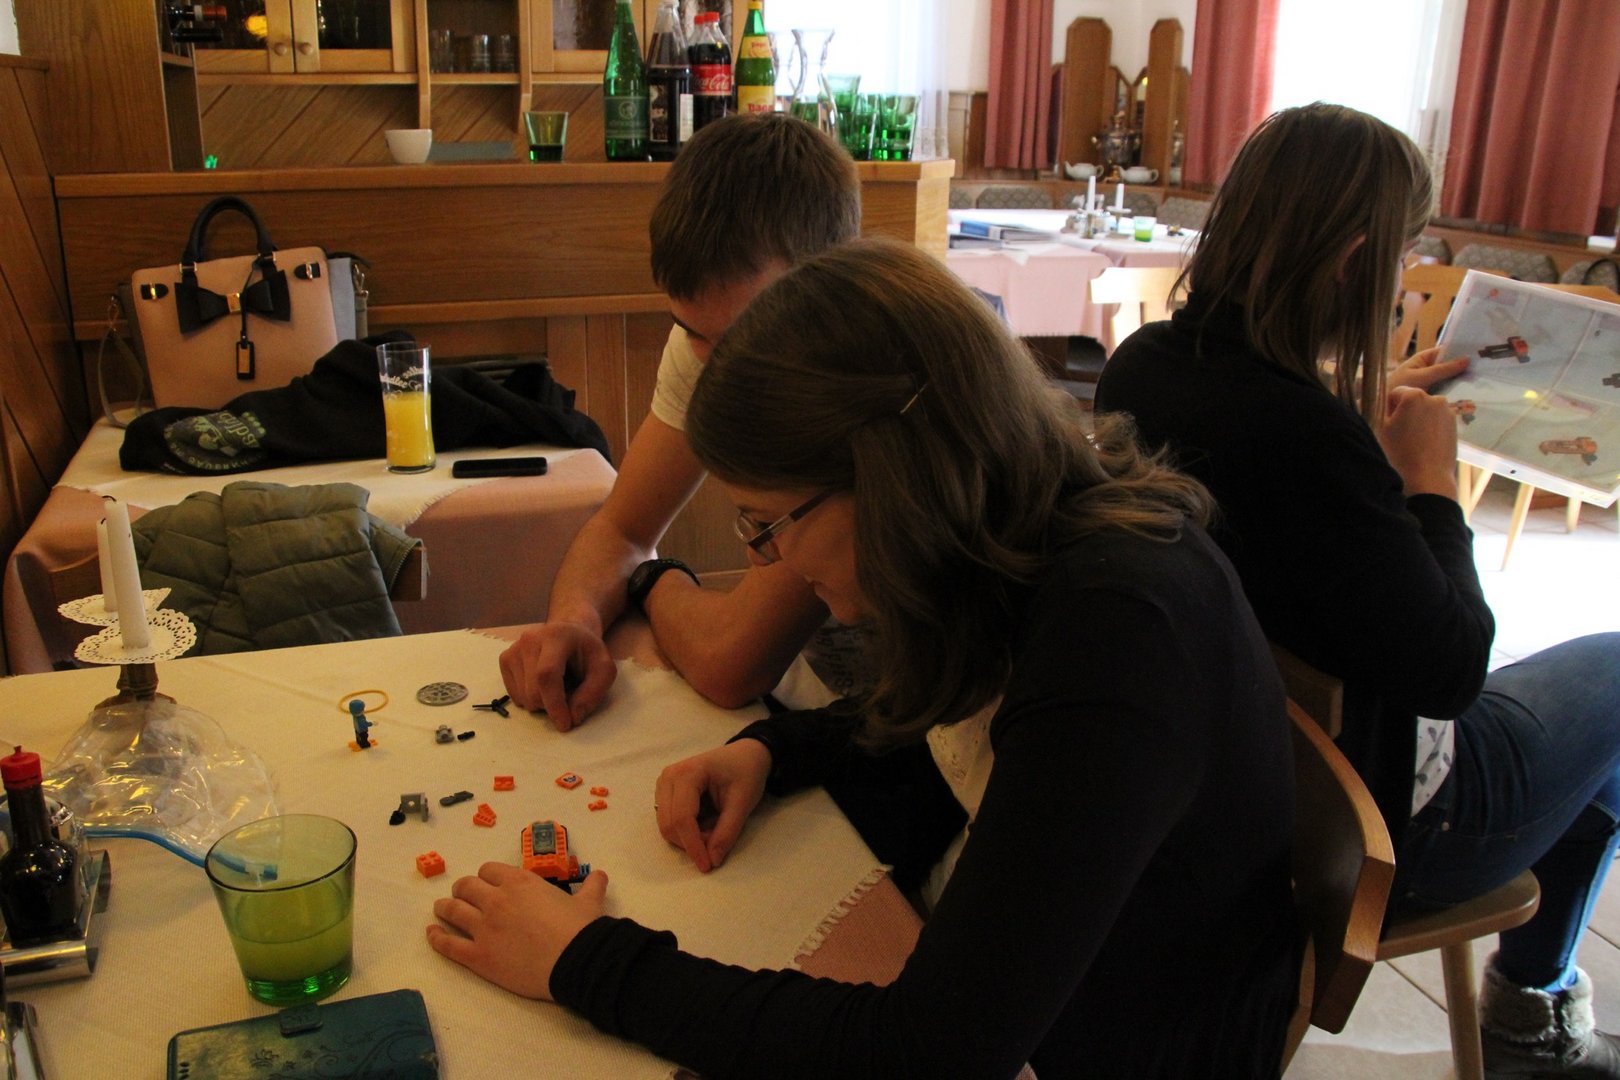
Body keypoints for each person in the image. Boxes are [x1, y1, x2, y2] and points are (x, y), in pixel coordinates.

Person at [428, 239, 1303, 1078]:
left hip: (1115, 1043)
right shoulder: (1020, 540)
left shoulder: (1119, 633)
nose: (767, 557)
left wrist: (583, 961)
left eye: (770, 521)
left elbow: (930, 1054)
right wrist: (776, 751)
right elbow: (979, 732)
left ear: (892, 480)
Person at [1096, 102, 1620, 1077]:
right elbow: (1453, 672)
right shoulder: (1311, 443)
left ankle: (1537, 997)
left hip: (1241, 784)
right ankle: (1533, 1000)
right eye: (1405, 250)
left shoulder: (1145, 366)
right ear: (1353, 258)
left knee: (1591, 731)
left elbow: (1284, 497)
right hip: (1379, 822)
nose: (1406, 273)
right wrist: (1431, 486)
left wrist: (1348, 414)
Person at [499, 114, 863, 729]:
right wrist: (574, 623)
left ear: (833, 285)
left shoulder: (856, 378)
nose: (716, 368)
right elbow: (622, 529)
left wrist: (653, 581)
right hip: (819, 712)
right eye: (691, 330)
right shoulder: (713, 338)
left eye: (743, 336)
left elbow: (731, 663)